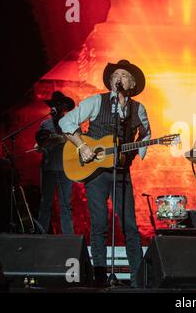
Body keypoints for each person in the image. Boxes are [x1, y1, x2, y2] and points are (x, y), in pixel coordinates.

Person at [59, 59, 151, 287]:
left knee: (129, 225)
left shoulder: (137, 108)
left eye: (124, 75)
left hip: (121, 173)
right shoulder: (96, 102)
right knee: (99, 225)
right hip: (96, 175)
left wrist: (135, 150)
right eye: (115, 75)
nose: (119, 78)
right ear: (111, 82)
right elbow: (66, 121)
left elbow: (147, 134)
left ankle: (137, 279)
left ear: (132, 84)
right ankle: (100, 278)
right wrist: (82, 146)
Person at [35, 91, 75, 234]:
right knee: (45, 203)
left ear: (64, 107)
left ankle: (69, 240)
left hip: (66, 169)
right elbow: (39, 144)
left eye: (59, 104)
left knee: (65, 205)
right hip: (48, 168)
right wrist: (40, 147)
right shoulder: (44, 124)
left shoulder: (71, 122)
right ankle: (40, 238)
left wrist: (58, 138)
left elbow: (79, 141)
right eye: (54, 105)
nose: (56, 107)